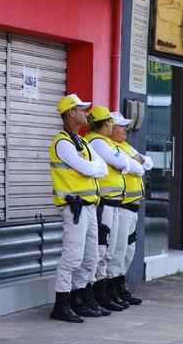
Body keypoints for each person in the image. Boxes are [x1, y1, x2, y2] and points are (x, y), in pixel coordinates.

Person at [49, 94, 108, 323]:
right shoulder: (62, 143)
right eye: (82, 110)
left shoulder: (81, 142)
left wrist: (91, 167)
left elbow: (99, 169)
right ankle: (61, 305)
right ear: (71, 113)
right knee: (72, 258)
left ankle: (79, 299)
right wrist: (91, 167)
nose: (86, 113)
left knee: (91, 257)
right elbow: (88, 168)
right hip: (74, 208)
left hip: (89, 207)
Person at [85, 106, 132, 313]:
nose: (114, 126)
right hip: (104, 204)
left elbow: (125, 163)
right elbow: (122, 162)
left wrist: (123, 163)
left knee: (110, 250)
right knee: (102, 250)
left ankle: (102, 292)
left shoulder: (105, 142)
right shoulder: (96, 141)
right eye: (111, 122)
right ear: (106, 123)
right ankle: (95, 293)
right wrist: (123, 163)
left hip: (113, 204)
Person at [105, 111, 153, 305]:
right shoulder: (110, 147)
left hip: (133, 206)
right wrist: (136, 162)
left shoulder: (125, 146)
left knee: (129, 249)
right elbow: (137, 167)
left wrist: (138, 162)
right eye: (121, 126)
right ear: (110, 128)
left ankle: (119, 285)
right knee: (118, 249)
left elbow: (147, 162)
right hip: (122, 205)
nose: (126, 129)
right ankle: (111, 288)